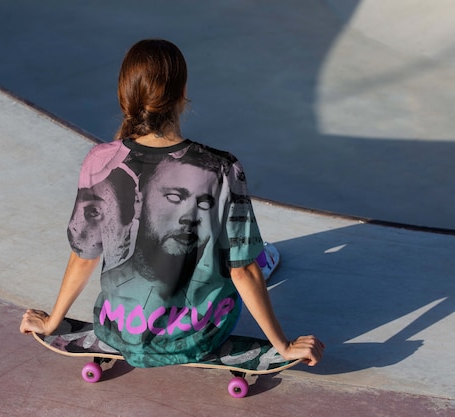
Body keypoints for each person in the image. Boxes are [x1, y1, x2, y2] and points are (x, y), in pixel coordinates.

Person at [20, 39, 324, 368]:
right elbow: (243, 270)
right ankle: (260, 252)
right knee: (241, 253)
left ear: (126, 95)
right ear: (182, 95)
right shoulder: (220, 168)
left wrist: (52, 323)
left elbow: (84, 257)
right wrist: (284, 345)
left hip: (120, 330)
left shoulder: (100, 162)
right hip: (196, 335)